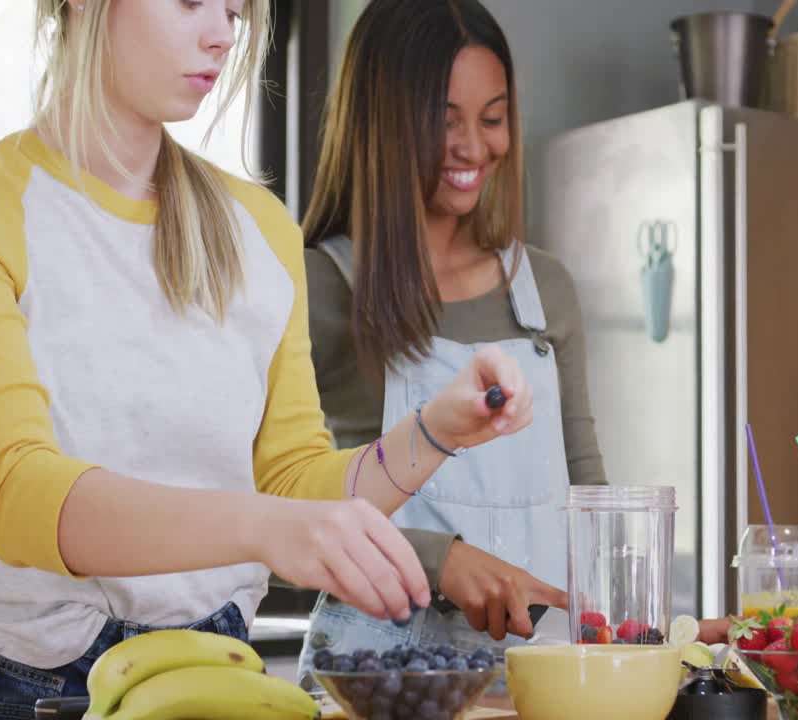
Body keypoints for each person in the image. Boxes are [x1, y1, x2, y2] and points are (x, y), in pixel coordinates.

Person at [0, 1, 533, 716]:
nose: (223, 34)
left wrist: (436, 432)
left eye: (235, 10)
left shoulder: (259, 229)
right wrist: (267, 528)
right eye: (193, 2)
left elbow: (293, 481)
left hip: (216, 667)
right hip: (21, 687)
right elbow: (18, 496)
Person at [295, 0, 608, 683]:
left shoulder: (543, 287)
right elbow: (284, 508)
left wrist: (648, 632)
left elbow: (589, 499)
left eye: (492, 119)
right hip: (382, 683)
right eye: (444, 121)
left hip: (542, 678)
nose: (475, 147)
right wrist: (441, 559)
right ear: (385, 122)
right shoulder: (316, 286)